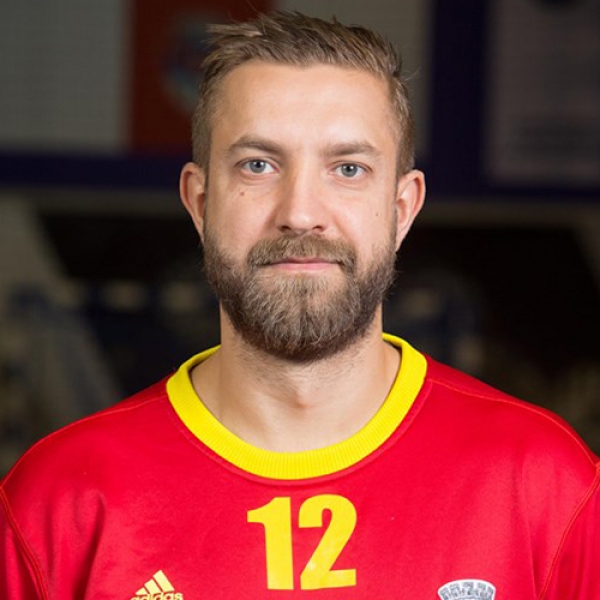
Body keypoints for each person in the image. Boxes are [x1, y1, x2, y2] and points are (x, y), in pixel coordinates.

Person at [1, 11, 598, 600]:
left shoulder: (546, 485)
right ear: (201, 203)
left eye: (348, 168)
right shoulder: (57, 501)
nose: (301, 212)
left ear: (402, 209)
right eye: (258, 165)